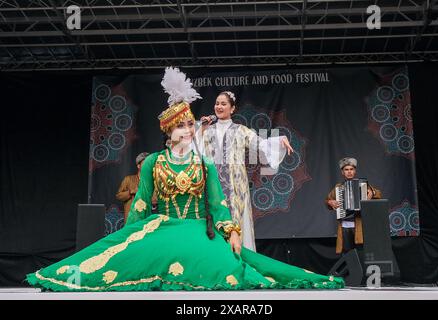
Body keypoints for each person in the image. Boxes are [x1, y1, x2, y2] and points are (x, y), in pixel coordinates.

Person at [26, 67, 343, 291]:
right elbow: (139, 204)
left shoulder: (207, 159)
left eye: (191, 126)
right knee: (120, 259)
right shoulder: (154, 161)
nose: (189, 131)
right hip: (161, 226)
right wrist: (129, 236)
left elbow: (218, 206)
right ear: (169, 130)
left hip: (198, 229)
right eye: (183, 127)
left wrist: (230, 231)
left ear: (230, 107)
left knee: (234, 269)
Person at [196, 91, 294, 252]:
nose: (219, 107)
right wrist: (201, 130)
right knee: (213, 220)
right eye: (217, 103)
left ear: (232, 108)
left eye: (223, 104)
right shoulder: (207, 130)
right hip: (213, 186)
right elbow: (192, 151)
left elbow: (261, 144)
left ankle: (238, 259)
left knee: (236, 221)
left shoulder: (241, 130)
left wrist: (279, 140)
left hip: (235, 187)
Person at [325, 157, 382, 255]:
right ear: (342, 172)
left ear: (355, 171)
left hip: (359, 224)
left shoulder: (363, 185)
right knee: (348, 253)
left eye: (351, 169)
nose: (349, 172)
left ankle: (362, 270)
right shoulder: (338, 187)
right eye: (346, 170)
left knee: (362, 251)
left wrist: (372, 192)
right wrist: (330, 202)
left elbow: (378, 194)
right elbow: (328, 200)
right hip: (345, 226)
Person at [115, 152, 149, 222]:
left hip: (146, 219)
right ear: (138, 166)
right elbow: (118, 196)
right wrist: (130, 192)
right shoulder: (128, 179)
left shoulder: (152, 181)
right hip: (131, 219)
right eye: (144, 163)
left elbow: (156, 199)